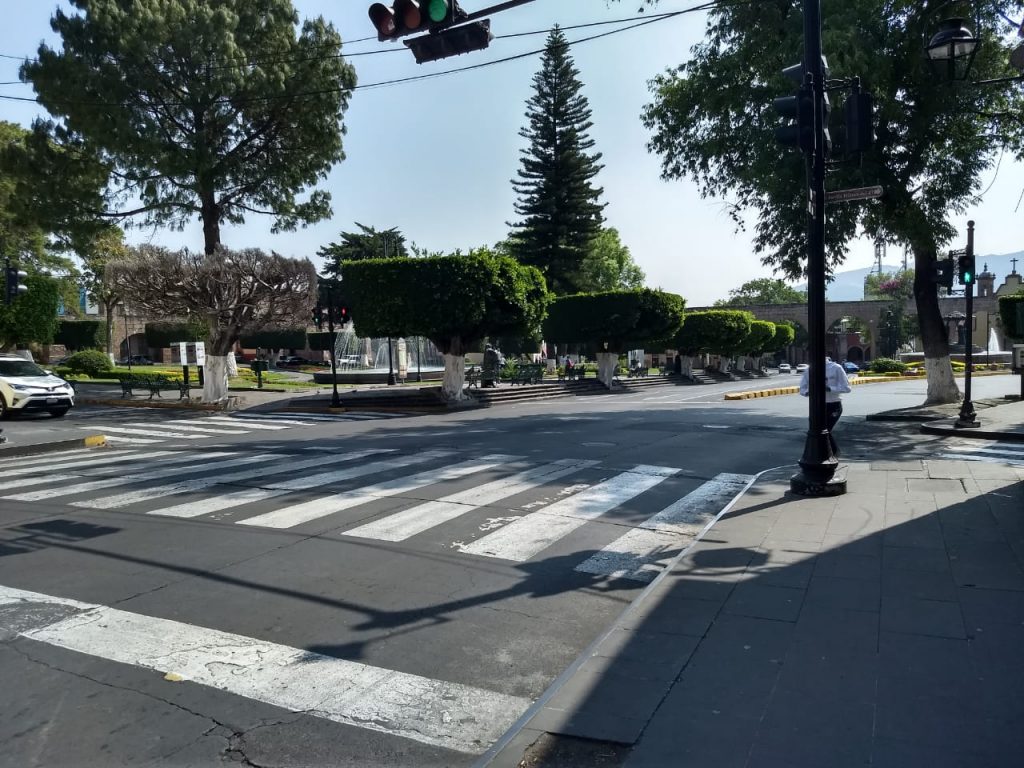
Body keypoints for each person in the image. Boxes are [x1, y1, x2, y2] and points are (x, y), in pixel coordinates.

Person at [799, 357, 852, 457]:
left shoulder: (836, 368)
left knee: (826, 429)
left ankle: (834, 453)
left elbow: (847, 388)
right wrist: (807, 392)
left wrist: (830, 388)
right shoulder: (809, 370)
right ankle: (824, 454)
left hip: (833, 404)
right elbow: (802, 388)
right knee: (816, 430)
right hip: (816, 406)